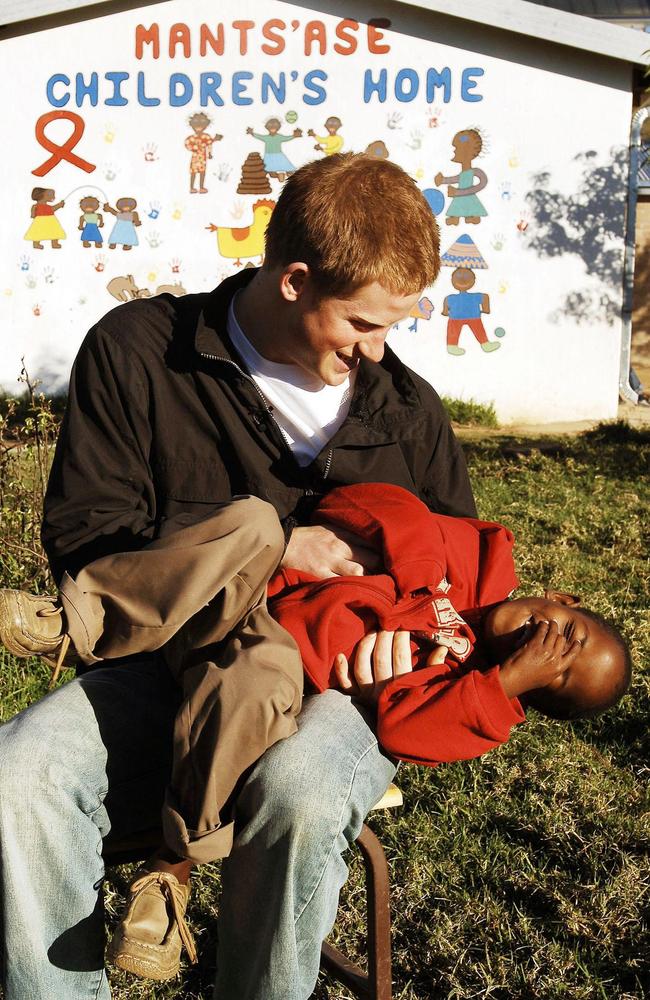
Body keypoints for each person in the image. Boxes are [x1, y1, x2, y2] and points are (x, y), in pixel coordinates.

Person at [0, 152, 477, 1000]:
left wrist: (412, 649)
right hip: (164, 662)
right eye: (362, 324)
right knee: (19, 775)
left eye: (393, 327)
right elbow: (85, 534)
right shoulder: (141, 352)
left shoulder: (408, 412)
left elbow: (462, 589)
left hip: (338, 688)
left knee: (296, 793)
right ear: (294, 280)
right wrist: (273, 546)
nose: (377, 351)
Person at [268, 482, 632, 765]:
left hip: (277, 670)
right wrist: (419, 580)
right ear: (561, 599)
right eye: (568, 633)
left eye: (552, 671)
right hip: (263, 581)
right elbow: (377, 502)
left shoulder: (459, 691)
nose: (543, 642)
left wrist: (503, 684)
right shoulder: (481, 560)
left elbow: (404, 732)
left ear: (530, 693)